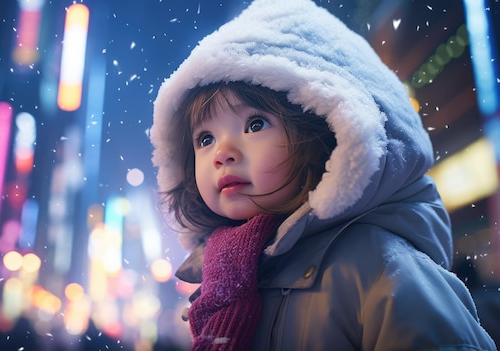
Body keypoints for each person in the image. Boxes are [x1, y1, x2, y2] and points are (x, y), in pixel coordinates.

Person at [149, 0, 498, 350]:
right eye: (204, 139)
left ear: (323, 134)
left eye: (255, 124)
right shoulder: (226, 275)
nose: (222, 153)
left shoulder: (380, 267)